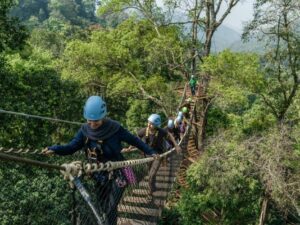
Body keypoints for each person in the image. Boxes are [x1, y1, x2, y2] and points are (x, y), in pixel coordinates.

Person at [42, 96, 157, 225]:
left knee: (110, 207)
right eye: (89, 121)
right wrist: (55, 149)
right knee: (103, 208)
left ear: (103, 116)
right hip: (98, 175)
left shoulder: (115, 128)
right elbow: (71, 147)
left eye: (95, 121)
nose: (92, 124)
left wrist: (151, 152)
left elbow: (135, 141)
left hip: (118, 172)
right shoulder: (84, 131)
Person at [137, 114, 181, 194]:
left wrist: (176, 145)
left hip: (158, 156)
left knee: (151, 174)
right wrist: (129, 148)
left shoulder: (160, 131)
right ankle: (153, 186)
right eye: (149, 123)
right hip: (147, 156)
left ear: (156, 125)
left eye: (152, 124)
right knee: (150, 172)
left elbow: (170, 135)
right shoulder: (144, 131)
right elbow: (135, 139)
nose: (149, 125)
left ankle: (150, 192)